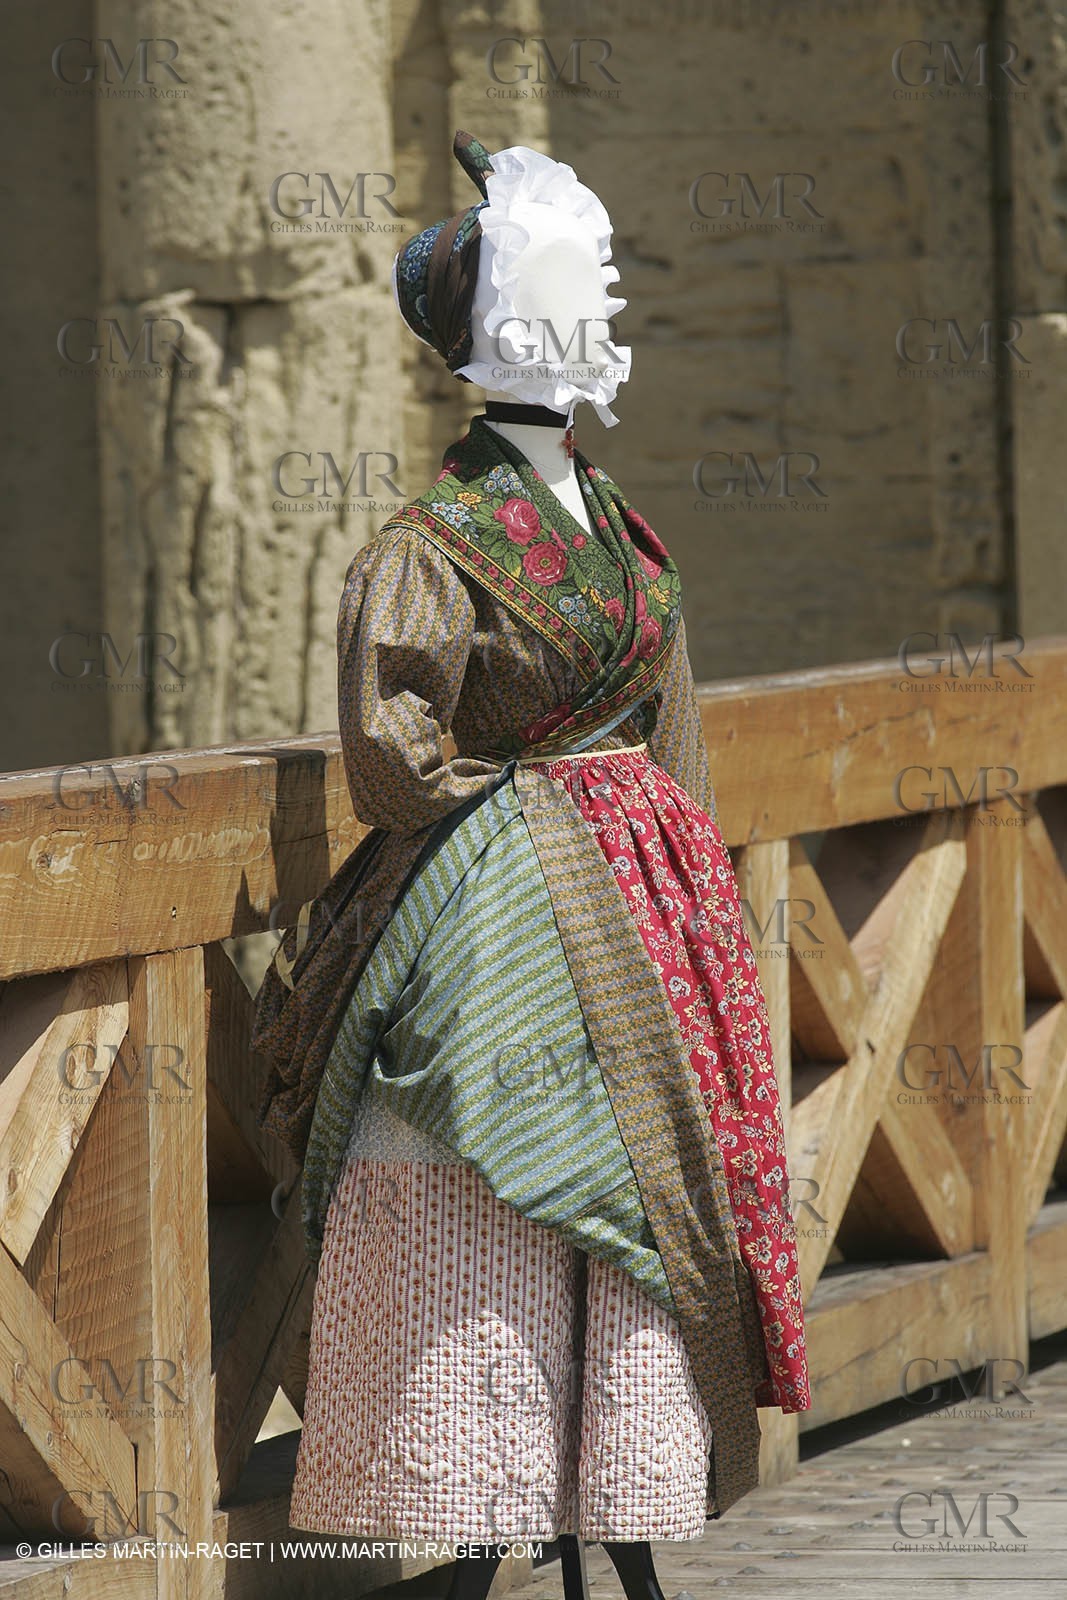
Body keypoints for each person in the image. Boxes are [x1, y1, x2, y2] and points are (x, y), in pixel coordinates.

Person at [251, 131, 810, 1600]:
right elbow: (390, 758)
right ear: (505, 313)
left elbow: (677, 744)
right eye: (587, 263)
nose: (614, 284)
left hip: (648, 915)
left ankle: (615, 1507)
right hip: (496, 915)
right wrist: (534, 803)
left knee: (643, 1215)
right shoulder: (431, 543)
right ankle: (479, 1517)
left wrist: (689, 886)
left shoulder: (624, 530)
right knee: (490, 1204)